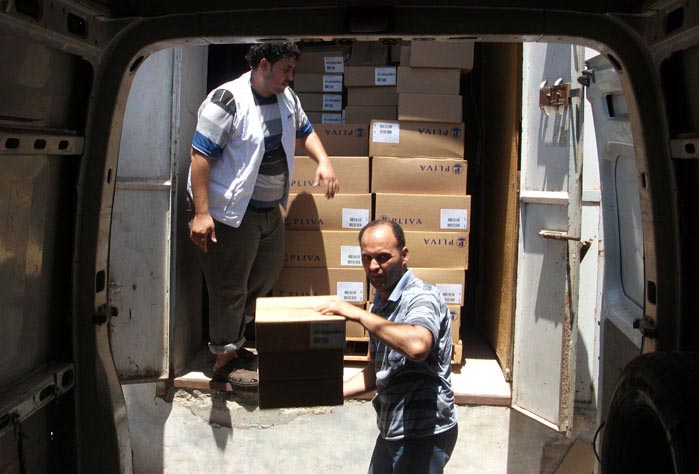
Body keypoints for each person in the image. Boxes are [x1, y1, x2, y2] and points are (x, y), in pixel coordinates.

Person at [188, 41, 339, 389]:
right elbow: (200, 156)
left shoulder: (287, 97)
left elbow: (305, 131)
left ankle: (236, 340)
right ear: (264, 65)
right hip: (230, 213)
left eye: (293, 70)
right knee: (230, 286)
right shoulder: (227, 100)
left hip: (269, 210)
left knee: (266, 275)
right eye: (286, 69)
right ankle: (224, 358)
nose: (291, 76)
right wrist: (201, 213)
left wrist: (324, 160)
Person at [315, 220, 458, 473]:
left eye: (383, 257)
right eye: (366, 258)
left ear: (404, 255)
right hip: (391, 429)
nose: (373, 267)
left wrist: (356, 314)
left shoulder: (422, 296)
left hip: (423, 433)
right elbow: (378, 371)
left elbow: (417, 346)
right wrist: (329, 391)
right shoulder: (380, 306)